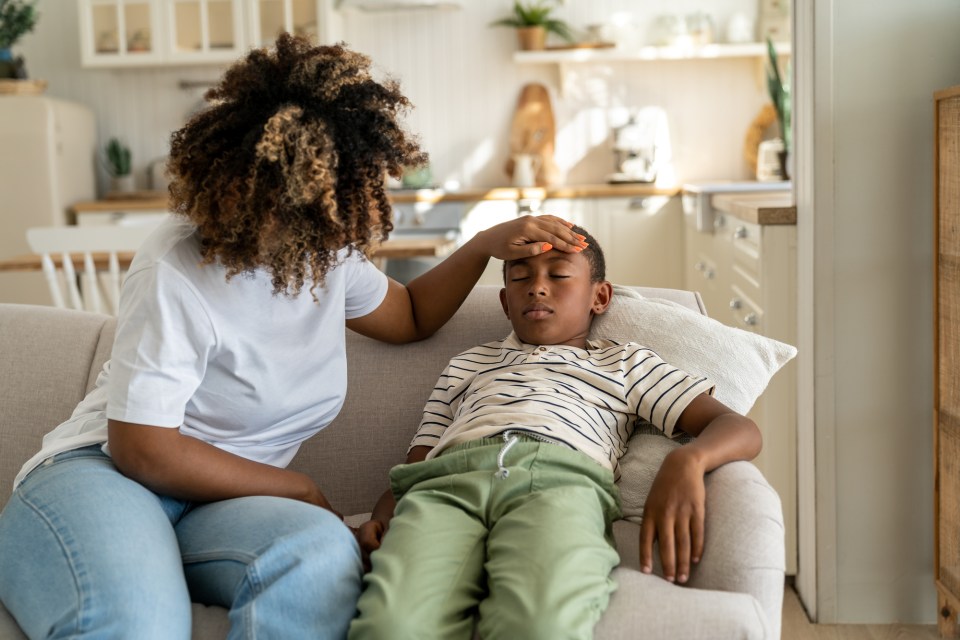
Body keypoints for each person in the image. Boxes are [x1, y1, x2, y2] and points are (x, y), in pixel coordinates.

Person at [0, 34, 586, 640]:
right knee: (137, 622)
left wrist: (484, 243)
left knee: (319, 560)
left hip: (220, 509)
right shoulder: (175, 267)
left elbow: (410, 316)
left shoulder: (322, 254)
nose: (298, 223)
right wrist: (299, 487)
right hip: (106, 479)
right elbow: (142, 448)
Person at [349, 226, 763, 640]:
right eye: (520, 277)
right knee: (390, 627)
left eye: (560, 275)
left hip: (560, 484)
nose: (537, 288)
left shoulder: (625, 363)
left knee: (541, 624)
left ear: (600, 297)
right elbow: (416, 465)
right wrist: (382, 517)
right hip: (446, 486)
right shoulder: (467, 363)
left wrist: (688, 460)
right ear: (505, 302)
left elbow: (736, 426)